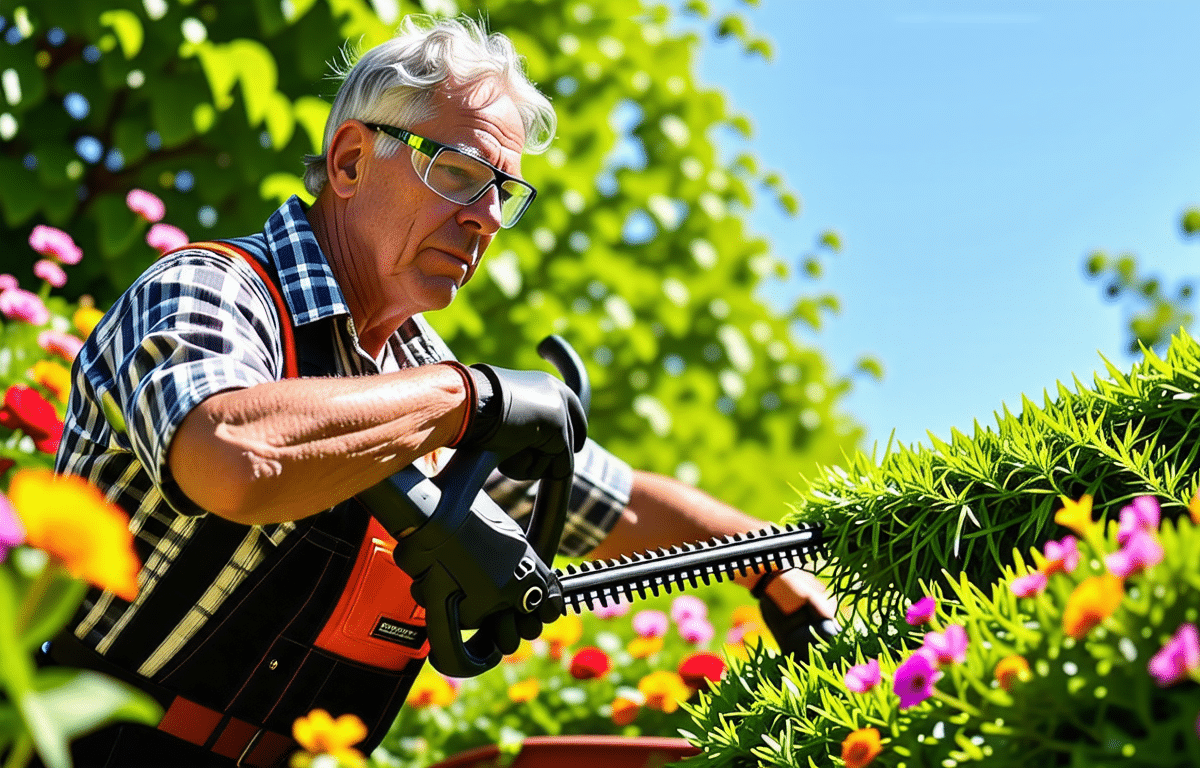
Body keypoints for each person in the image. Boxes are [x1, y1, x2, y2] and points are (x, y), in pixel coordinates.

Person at [51, 15, 835, 768]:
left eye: (505, 195)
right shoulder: (212, 289)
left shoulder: (419, 370)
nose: (487, 219)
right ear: (350, 161)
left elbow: (617, 507)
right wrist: (463, 401)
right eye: (460, 175)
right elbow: (227, 457)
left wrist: (773, 564)